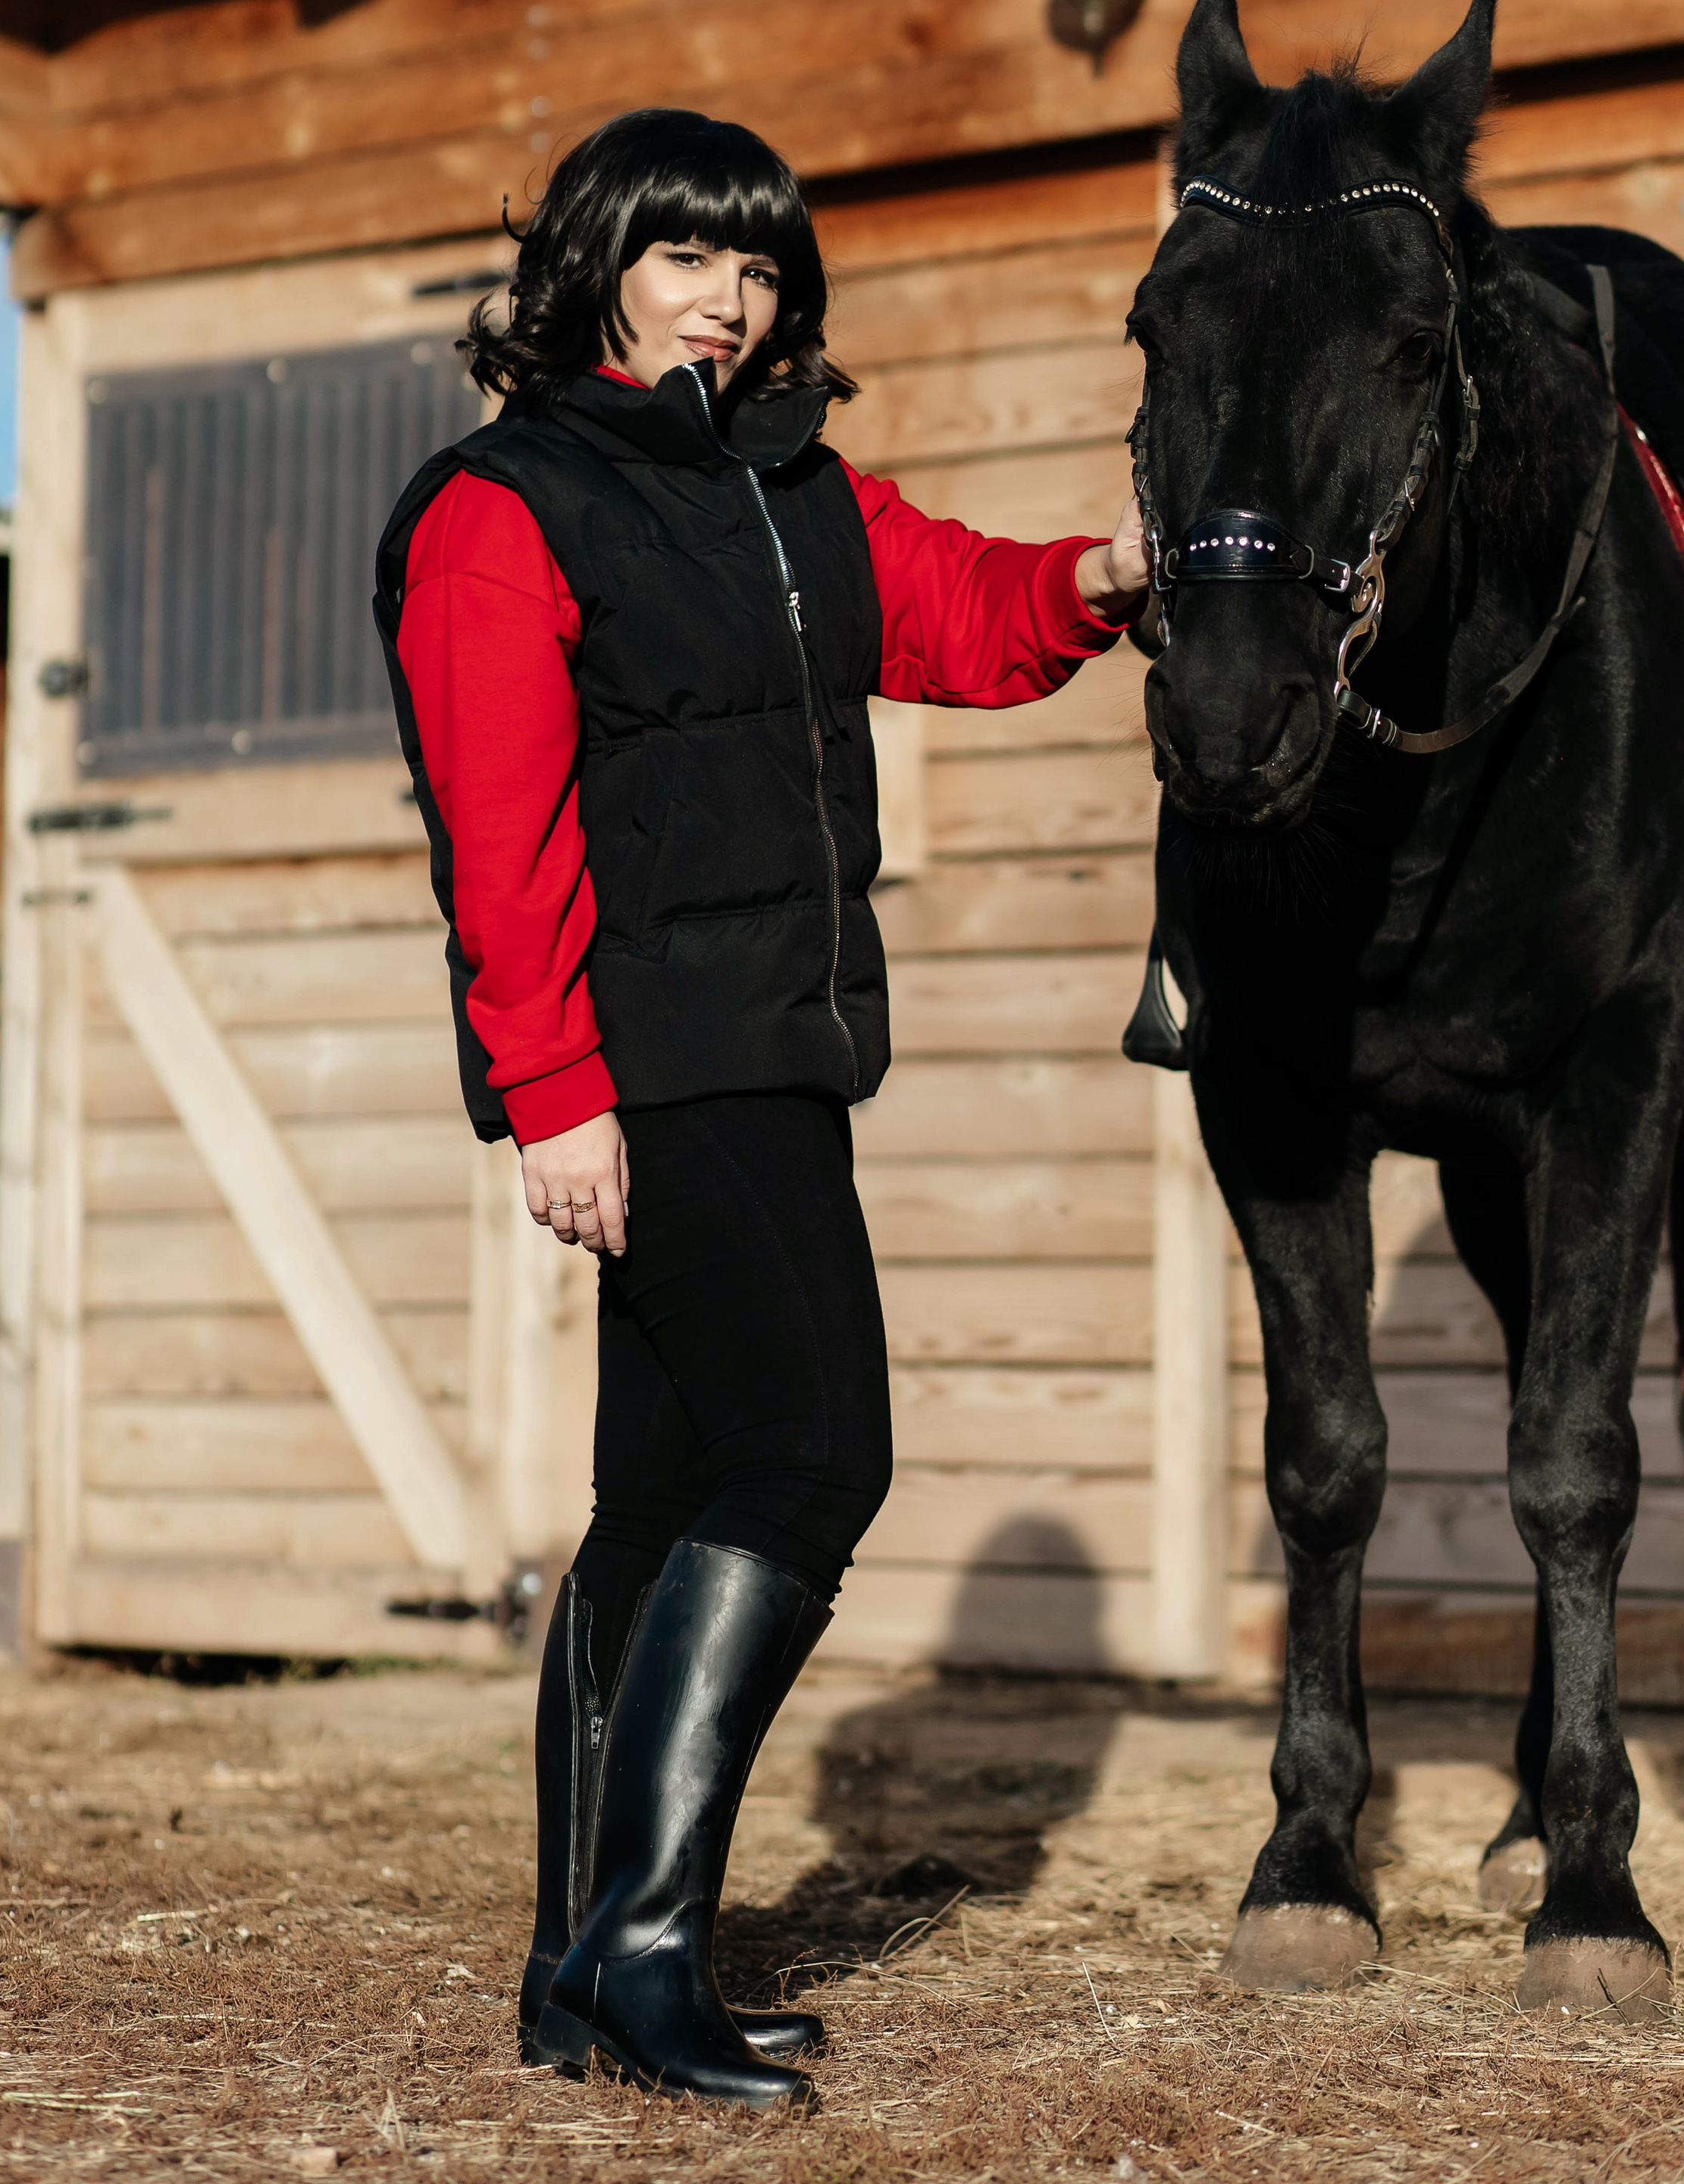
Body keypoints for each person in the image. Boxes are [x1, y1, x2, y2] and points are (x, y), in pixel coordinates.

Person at [375, 108, 1147, 2115]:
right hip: (658, 1063)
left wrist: (1101, 575)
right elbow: (501, 825)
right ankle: (645, 1956)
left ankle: (580, 1968)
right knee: (816, 1456)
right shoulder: (507, 507)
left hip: (781, 1045)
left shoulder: (794, 487)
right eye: (689, 252)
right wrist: (553, 1093)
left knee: (662, 1498)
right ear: (600, 262)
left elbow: (959, 610)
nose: (731, 294)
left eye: (761, 262)